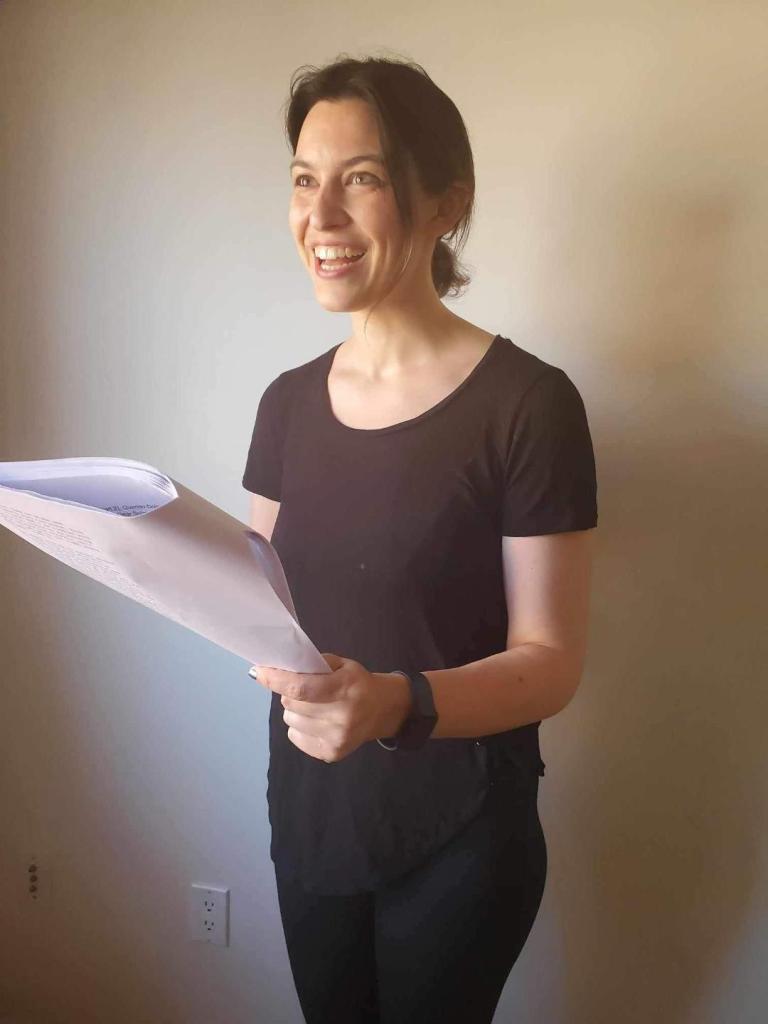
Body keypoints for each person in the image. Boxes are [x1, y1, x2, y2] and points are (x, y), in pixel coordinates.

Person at [242, 54, 597, 1024]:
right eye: (304, 180)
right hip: (313, 814)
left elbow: (552, 662)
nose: (321, 216)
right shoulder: (284, 405)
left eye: (359, 178)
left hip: (460, 834)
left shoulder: (529, 405)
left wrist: (395, 700)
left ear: (447, 202)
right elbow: (258, 604)